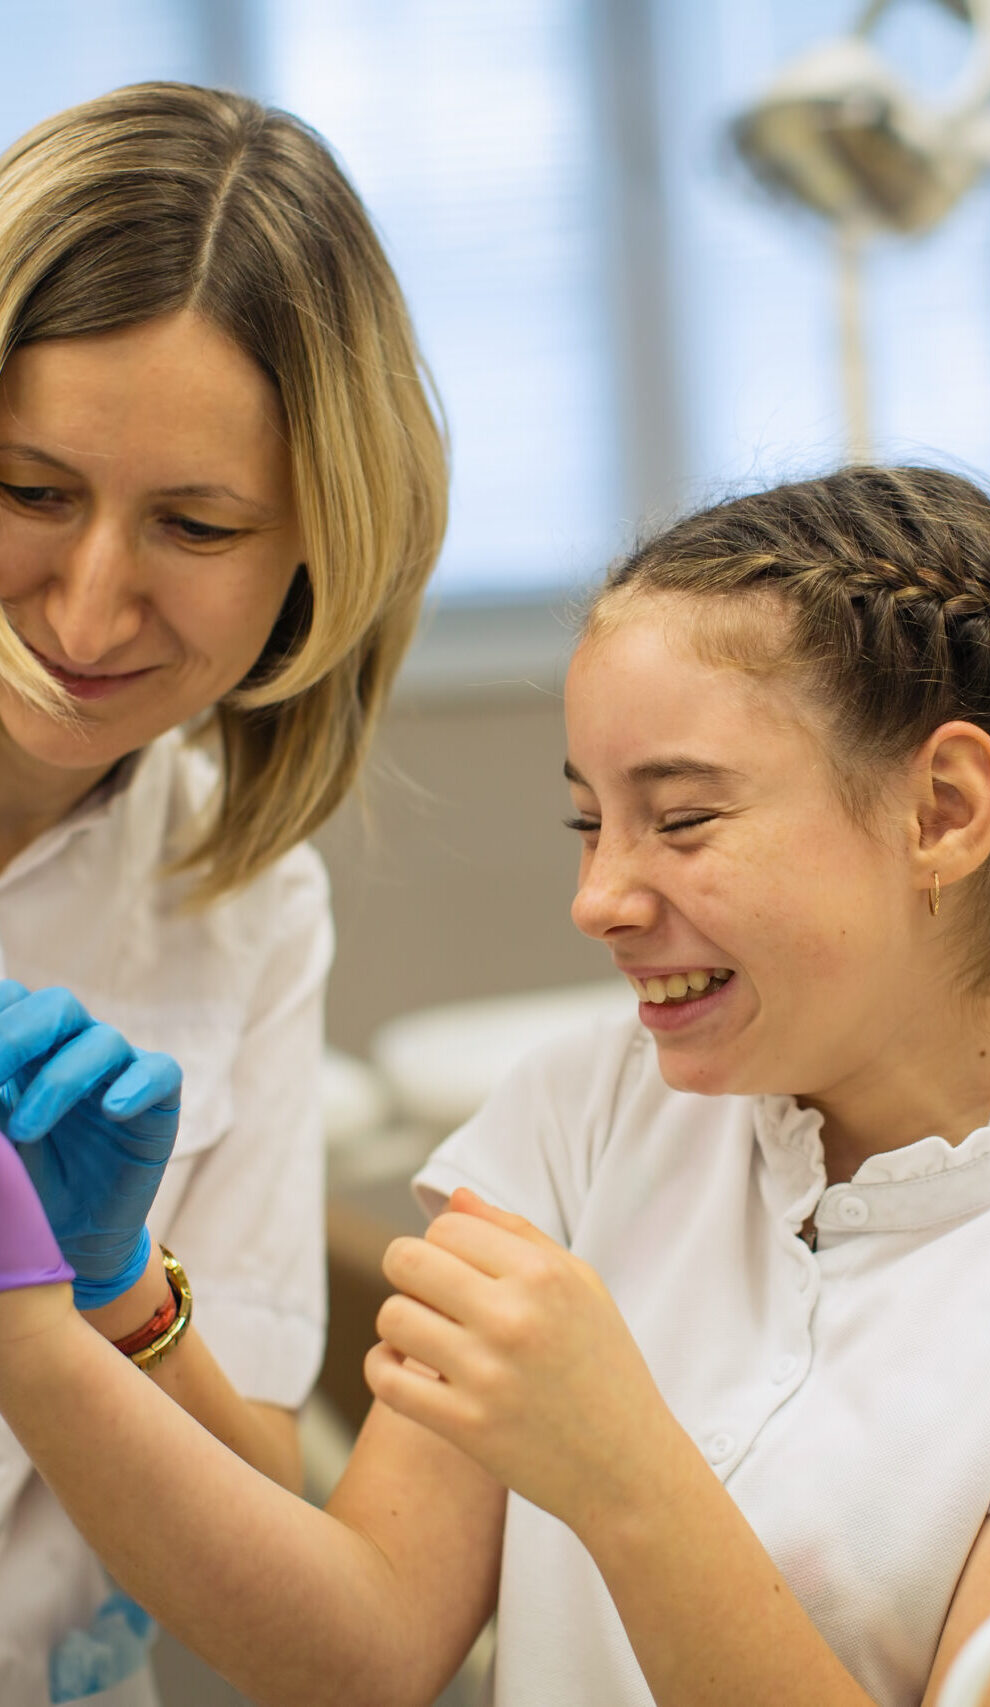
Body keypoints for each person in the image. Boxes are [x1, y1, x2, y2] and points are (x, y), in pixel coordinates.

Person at [2, 465, 990, 1707]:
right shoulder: (584, 1114)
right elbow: (357, 1656)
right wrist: (68, 1305)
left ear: (940, 809)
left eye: (678, 820)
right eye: (588, 824)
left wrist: (625, 1478)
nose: (597, 899)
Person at [0, 80, 445, 1706]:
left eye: (194, 523)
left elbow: (271, 1535)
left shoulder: (245, 900)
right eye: (29, 491)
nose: (91, 603)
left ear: (315, 553)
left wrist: (109, 1285)